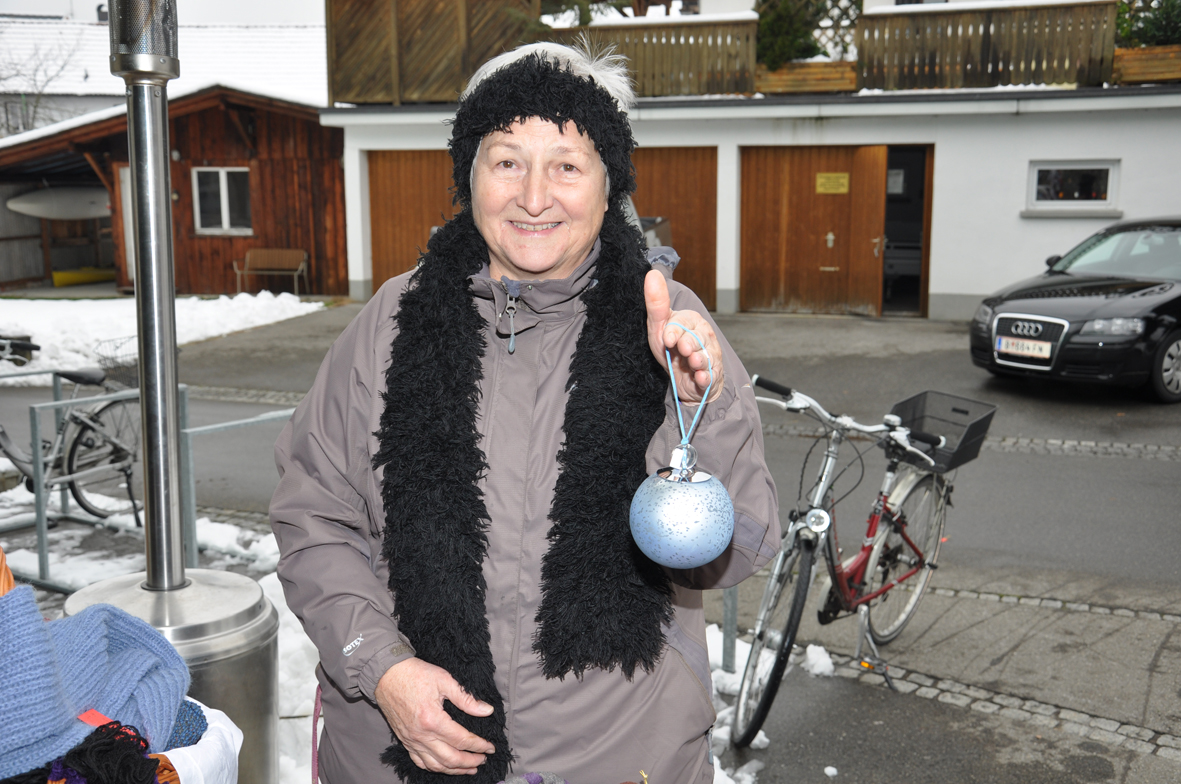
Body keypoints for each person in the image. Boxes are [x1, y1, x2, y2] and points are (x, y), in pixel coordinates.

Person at [270, 42, 779, 784]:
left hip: (618, 753)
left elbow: (734, 551)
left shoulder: (671, 326)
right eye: (507, 160)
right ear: (469, 175)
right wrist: (381, 667)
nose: (534, 197)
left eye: (567, 166)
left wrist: (698, 410)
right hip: (398, 747)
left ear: (609, 184)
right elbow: (314, 518)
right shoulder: (391, 324)